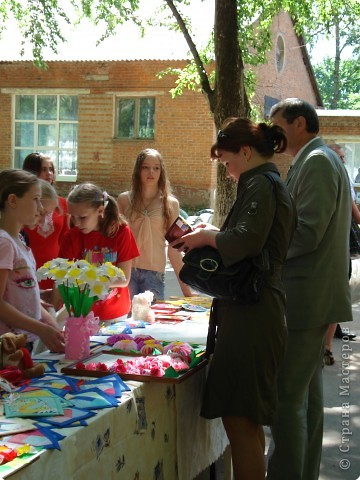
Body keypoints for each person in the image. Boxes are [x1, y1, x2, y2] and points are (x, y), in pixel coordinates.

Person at [171, 118, 297, 480]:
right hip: (255, 310)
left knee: (241, 422)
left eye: (227, 163)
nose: (227, 173)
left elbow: (245, 242)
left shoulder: (261, 184)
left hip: (252, 315)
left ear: (245, 151)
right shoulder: (265, 183)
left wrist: (209, 236)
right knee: (247, 422)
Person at [267, 98, 353, 480]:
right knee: (306, 398)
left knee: (287, 400)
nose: (273, 136)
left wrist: (261, 248)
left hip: (306, 296)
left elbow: (307, 230)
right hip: (310, 296)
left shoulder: (317, 161)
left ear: (299, 123)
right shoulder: (315, 159)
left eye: (278, 127)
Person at [0, 169, 64, 353]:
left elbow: (12, 290)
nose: (41, 208)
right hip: (8, 345)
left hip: (22, 340)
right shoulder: (4, 242)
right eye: (35, 199)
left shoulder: (18, 240)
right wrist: (40, 328)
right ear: (12, 201)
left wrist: (49, 322)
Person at [117, 148, 192, 301]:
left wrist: (187, 291)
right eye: (145, 167)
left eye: (156, 168)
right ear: (138, 170)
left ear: (161, 171)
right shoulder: (124, 200)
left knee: (153, 321)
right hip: (126, 272)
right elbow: (116, 241)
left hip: (154, 274)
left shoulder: (171, 204)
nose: (151, 172)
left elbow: (175, 248)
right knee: (125, 321)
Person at [59, 183, 140, 321]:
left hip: (115, 314)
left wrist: (85, 282)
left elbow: (123, 278)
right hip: (81, 314)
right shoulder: (71, 236)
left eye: (83, 217)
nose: (77, 223)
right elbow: (63, 278)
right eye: (72, 216)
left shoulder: (121, 232)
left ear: (100, 210)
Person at [324, 144, 357, 365]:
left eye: (344, 157)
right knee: (332, 296)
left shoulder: (340, 177)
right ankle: (324, 345)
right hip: (334, 246)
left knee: (332, 297)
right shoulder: (333, 178)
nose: (343, 161)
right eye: (340, 157)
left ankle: (326, 345)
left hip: (338, 245)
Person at [22, 153, 69, 290]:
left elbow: (66, 239)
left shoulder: (61, 203)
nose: (49, 173)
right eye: (43, 169)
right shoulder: (22, 205)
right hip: (26, 268)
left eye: (51, 169)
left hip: (55, 270)